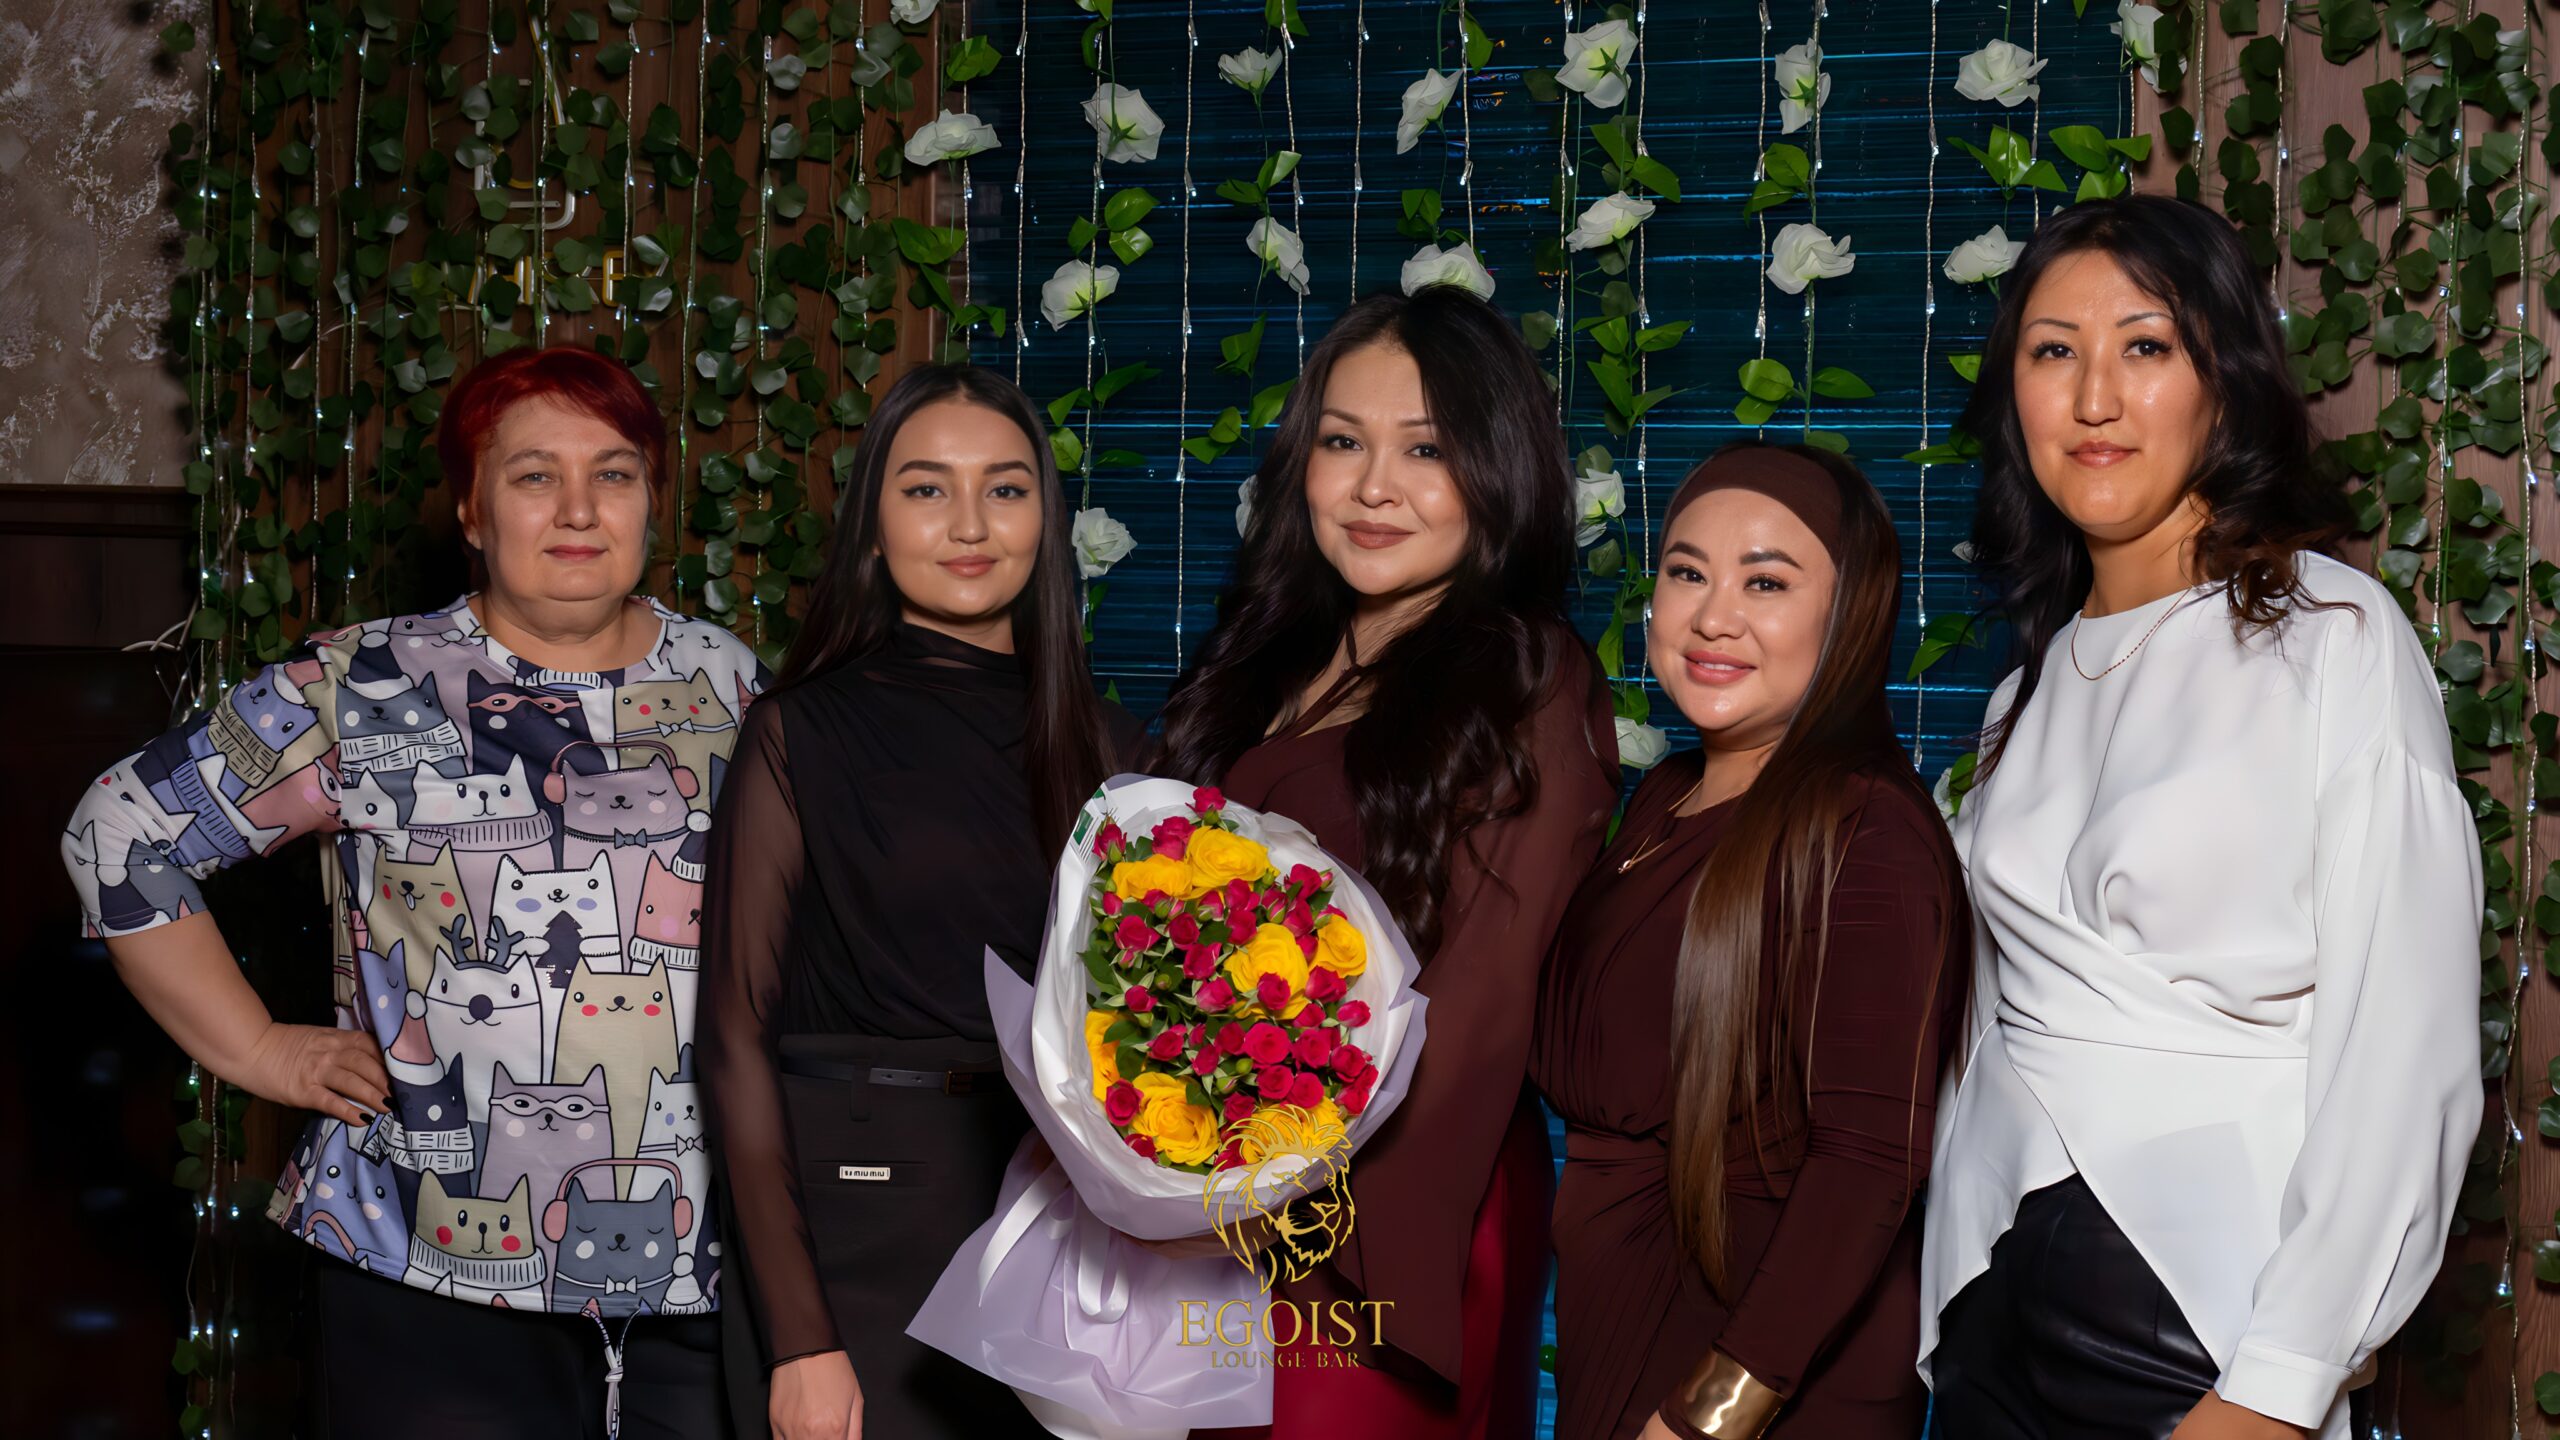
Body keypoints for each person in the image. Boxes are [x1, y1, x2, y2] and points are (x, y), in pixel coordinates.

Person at [61, 345, 765, 1437]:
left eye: (615, 473)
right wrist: (262, 1050)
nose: (579, 508)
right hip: (422, 1263)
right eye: (534, 475)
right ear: (472, 511)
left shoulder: (731, 682)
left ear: (652, 500)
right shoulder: (361, 685)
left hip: (701, 1270)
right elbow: (119, 832)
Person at [1919, 195, 2481, 1440]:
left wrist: (2277, 1384)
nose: (2094, 398)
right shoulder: (2019, 698)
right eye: (2052, 351)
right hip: (1987, 1307)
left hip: (2199, 1319)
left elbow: (2405, 1049)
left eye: (2146, 345)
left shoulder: (2328, 636)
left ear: (2222, 380)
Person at [1161, 284, 1620, 1440]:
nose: (1374, 487)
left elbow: (1483, 998)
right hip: (1211, 1196)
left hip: (1378, 1212)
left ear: (1496, 470)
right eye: (1341, 442)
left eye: (1425, 449)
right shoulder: (1262, 658)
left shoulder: (1527, 675)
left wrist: (1304, 1225)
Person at [697, 364, 1135, 1440]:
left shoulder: (1116, 747)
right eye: (928, 488)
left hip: (1065, 1228)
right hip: (857, 1226)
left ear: (1046, 520)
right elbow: (735, 1039)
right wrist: (800, 1338)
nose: (970, 524)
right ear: (873, 526)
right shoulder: (801, 730)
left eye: (1007, 488)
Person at [1533, 444, 1967, 1440]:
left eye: (1765, 583)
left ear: (1848, 614)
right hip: (1620, 1313)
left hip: (1759, 1368)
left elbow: (1867, 1163)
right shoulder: (1664, 797)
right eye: (1687, 573)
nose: (1713, 616)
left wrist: (1714, 1411)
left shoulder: (1865, 831)